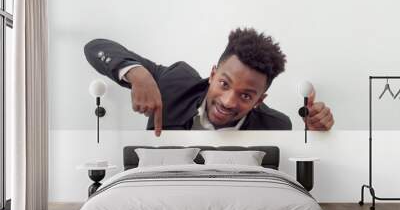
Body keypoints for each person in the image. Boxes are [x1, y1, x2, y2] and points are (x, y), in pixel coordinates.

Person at [84, 27, 334, 136]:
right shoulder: (173, 83)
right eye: (224, 84)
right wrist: (139, 73)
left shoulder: (276, 127)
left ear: (260, 100)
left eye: (246, 95)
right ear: (212, 74)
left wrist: (315, 137)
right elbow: (94, 47)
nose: (228, 101)